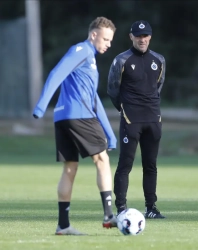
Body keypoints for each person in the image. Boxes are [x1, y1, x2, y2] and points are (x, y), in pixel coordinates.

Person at [33, 17, 118, 235]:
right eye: (106, 39)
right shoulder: (82, 50)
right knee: (102, 159)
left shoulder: (89, 59)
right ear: (93, 35)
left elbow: (94, 100)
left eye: (111, 40)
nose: (109, 43)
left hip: (63, 118)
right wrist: (41, 106)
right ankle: (109, 214)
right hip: (79, 115)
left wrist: (110, 133)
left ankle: (63, 225)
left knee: (70, 168)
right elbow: (56, 74)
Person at [107, 20, 166, 219]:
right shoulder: (121, 60)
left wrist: (151, 108)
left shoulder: (159, 60)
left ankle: (151, 208)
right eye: (138, 36)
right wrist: (125, 109)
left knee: (151, 165)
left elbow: (158, 87)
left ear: (150, 37)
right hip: (131, 121)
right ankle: (121, 209)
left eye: (145, 36)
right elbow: (112, 90)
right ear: (131, 36)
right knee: (125, 164)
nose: (142, 39)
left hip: (153, 120)